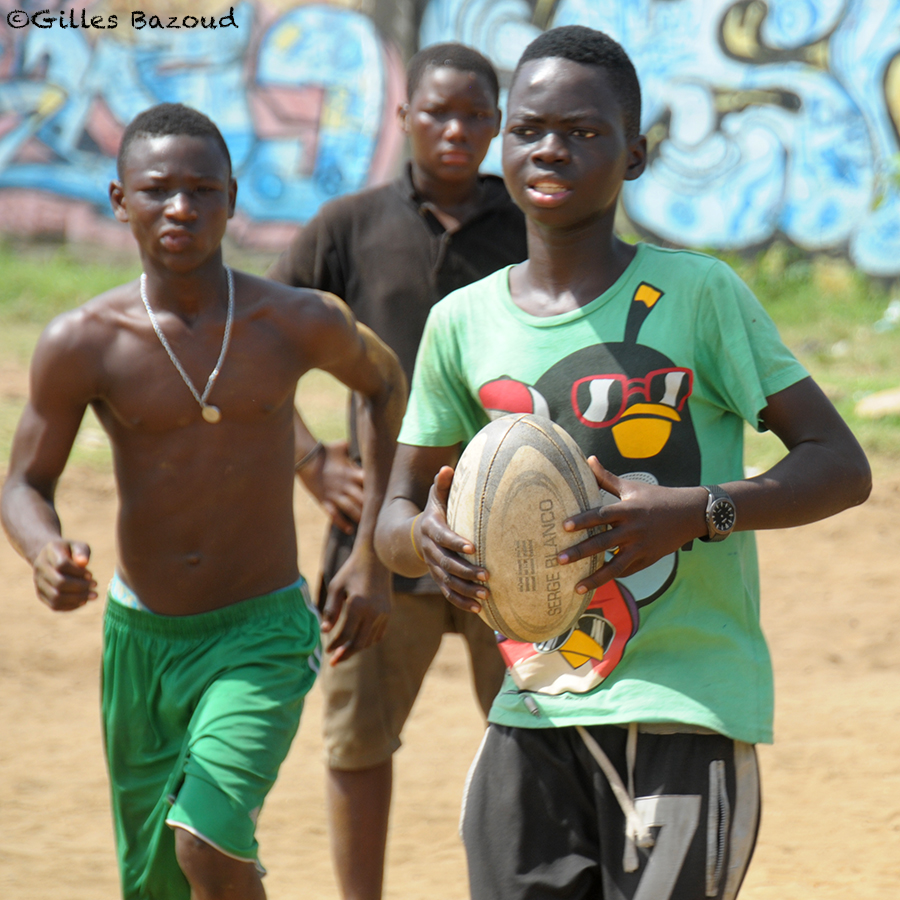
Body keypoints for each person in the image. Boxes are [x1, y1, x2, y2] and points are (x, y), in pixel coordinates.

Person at [374, 25, 872, 900]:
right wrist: (426, 541)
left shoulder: (700, 293)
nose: (550, 148)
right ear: (502, 145)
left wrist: (699, 511)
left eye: (583, 131)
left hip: (684, 706)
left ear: (634, 154)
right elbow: (394, 515)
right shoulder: (462, 322)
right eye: (529, 129)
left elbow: (840, 464)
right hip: (531, 708)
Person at [0, 103, 405, 900]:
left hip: (263, 633)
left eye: (201, 190)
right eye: (157, 190)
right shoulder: (84, 341)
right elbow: (23, 484)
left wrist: (373, 555)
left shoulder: (292, 320)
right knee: (159, 884)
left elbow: (386, 383)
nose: (180, 207)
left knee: (207, 841)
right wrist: (44, 550)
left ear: (232, 198)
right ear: (120, 201)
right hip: (141, 643)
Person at [268, 42, 527, 900]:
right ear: (403, 115)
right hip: (376, 540)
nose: (456, 130)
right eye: (438, 112)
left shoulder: (534, 227)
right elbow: (251, 346)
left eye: (476, 115)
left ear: (498, 125)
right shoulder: (348, 226)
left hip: (512, 533)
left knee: (537, 738)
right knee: (357, 743)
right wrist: (311, 462)